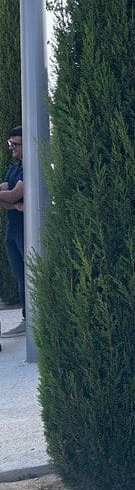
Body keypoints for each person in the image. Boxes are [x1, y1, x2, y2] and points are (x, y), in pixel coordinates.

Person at [0, 127, 25, 336]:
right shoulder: (14, 167)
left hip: (27, 229)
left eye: (15, 145)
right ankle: (27, 318)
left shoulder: (30, 168)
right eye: (10, 144)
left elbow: (13, 194)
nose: (12, 149)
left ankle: (33, 318)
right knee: (19, 274)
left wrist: (11, 199)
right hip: (13, 227)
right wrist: (12, 201)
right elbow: (7, 198)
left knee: (29, 273)